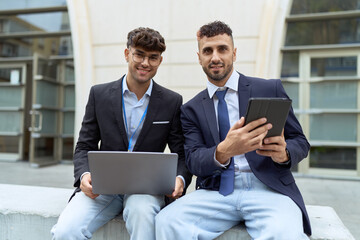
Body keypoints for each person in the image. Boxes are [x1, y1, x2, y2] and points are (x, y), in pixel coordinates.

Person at [156, 21, 311, 239]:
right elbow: (193, 160)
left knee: (285, 233)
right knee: (166, 222)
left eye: (222, 49)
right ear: (199, 57)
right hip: (216, 192)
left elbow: (301, 142)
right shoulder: (190, 109)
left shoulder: (269, 88)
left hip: (268, 189)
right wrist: (223, 151)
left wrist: (284, 153)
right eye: (207, 51)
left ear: (234, 53)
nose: (215, 57)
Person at [51, 27, 192, 240]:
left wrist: (179, 178)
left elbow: (181, 152)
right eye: (139, 54)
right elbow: (84, 146)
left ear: (160, 61)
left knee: (142, 214)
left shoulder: (172, 101)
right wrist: (84, 175)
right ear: (127, 54)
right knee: (65, 231)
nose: (145, 63)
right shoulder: (99, 94)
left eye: (153, 57)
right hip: (102, 187)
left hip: (145, 189)